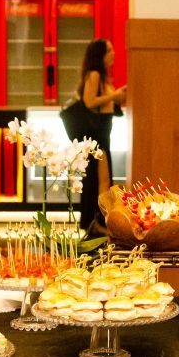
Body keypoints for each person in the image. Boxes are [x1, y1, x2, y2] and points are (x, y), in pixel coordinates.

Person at [65, 38, 125, 235]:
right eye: (109, 50)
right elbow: (89, 102)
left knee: (103, 178)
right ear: (100, 55)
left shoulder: (103, 76)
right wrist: (115, 96)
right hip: (96, 133)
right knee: (99, 179)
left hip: (102, 131)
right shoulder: (95, 74)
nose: (113, 53)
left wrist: (115, 97)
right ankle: (94, 222)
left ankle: (98, 220)